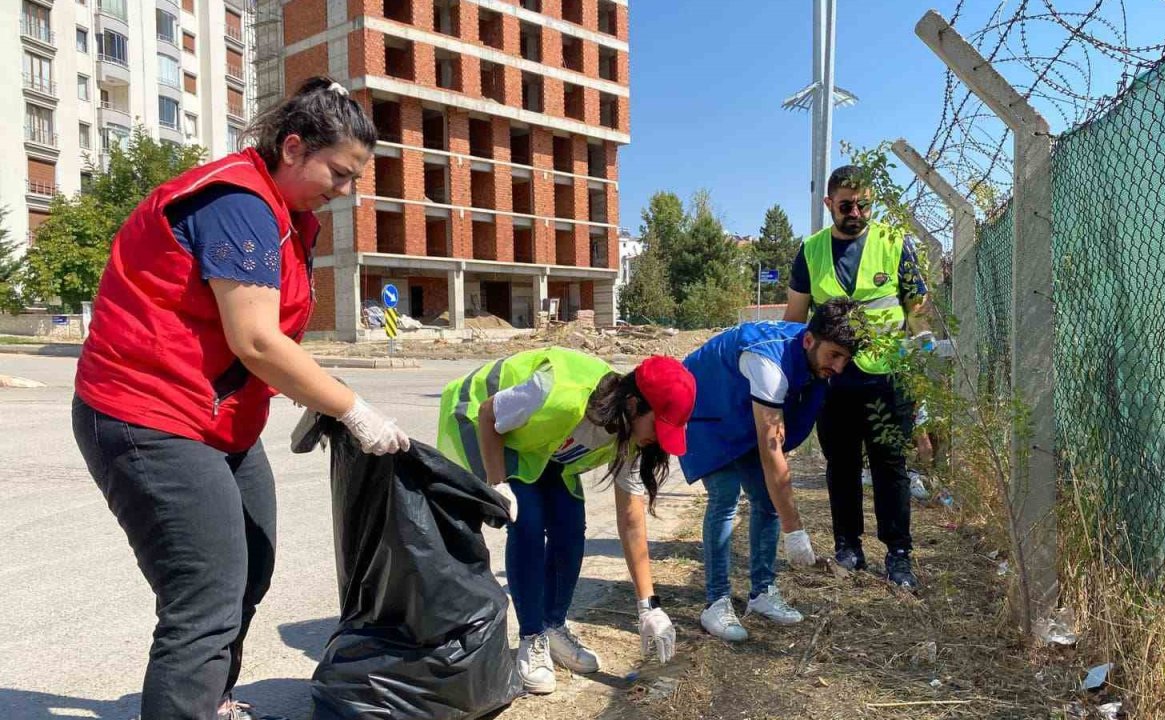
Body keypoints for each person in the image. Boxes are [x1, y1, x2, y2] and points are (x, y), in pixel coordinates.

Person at [71, 77, 413, 720]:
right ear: (292, 148)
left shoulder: (287, 216)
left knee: (251, 564)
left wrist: (306, 392)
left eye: (354, 180)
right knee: (206, 596)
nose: (345, 193)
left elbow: (259, 342)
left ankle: (210, 698)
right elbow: (255, 340)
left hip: (214, 419)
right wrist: (350, 406)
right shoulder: (237, 202)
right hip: (143, 413)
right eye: (338, 174)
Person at [436, 349, 694, 695]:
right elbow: (487, 414)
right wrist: (498, 484)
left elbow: (632, 521)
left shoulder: (633, 437)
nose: (659, 440)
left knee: (571, 530)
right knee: (526, 523)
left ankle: (553, 626)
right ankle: (531, 639)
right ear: (633, 404)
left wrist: (649, 606)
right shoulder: (559, 391)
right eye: (658, 426)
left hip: (545, 448)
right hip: (484, 423)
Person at [681, 299, 866, 642]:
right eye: (834, 356)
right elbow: (771, 453)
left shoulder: (810, 352)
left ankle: (762, 592)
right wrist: (794, 531)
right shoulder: (768, 363)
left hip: (740, 405)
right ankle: (716, 601)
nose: (839, 367)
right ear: (810, 341)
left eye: (845, 358)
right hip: (706, 404)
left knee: (766, 500)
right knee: (725, 498)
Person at [784, 165, 932, 590]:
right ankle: (848, 546)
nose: (856, 212)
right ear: (829, 204)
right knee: (842, 465)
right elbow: (795, 319)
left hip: (887, 378)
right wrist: (795, 378)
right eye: (846, 205)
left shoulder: (894, 242)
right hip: (832, 382)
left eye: (864, 204)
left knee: (890, 465)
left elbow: (916, 310)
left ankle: (898, 554)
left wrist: (922, 352)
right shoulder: (810, 251)